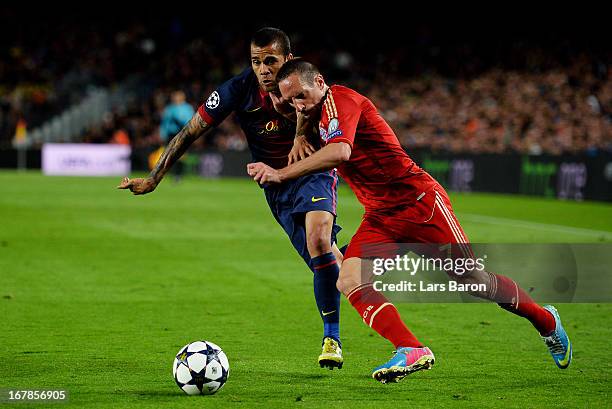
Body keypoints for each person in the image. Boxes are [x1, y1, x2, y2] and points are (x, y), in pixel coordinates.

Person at [247, 59, 572, 383]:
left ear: (319, 81)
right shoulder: (316, 113)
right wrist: (299, 132)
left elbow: (340, 153)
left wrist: (281, 173)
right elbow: (311, 123)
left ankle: (545, 320)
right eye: (288, 100)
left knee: (475, 281)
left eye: (301, 96)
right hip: (381, 216)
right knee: (348, 279)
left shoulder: (341, 101)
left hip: (420, 206)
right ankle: (410, 347)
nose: (296, 105)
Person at [118, 29, 345, 369]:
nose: (264, 69)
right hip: (276, 188)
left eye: (271, 61)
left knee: (318, 238)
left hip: (311, 170)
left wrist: (301, 134)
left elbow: (333, 118)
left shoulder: (304, 83)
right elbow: (190, 130)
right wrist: (154, 178)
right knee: (326, 262)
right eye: (256, 61)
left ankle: (332, 338)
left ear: (288, 60)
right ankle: (363, 271)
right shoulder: (238, 90)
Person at [159, 90, 195, 181]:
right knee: (168, 154)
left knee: (181, 154)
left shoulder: (187, 108)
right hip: (171, 134)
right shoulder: (169, 108)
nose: (175, 98)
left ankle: (179, 174)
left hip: (182, 133)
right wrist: (162, 133)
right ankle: (168, 173)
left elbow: (190, 120)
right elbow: (165, 122)